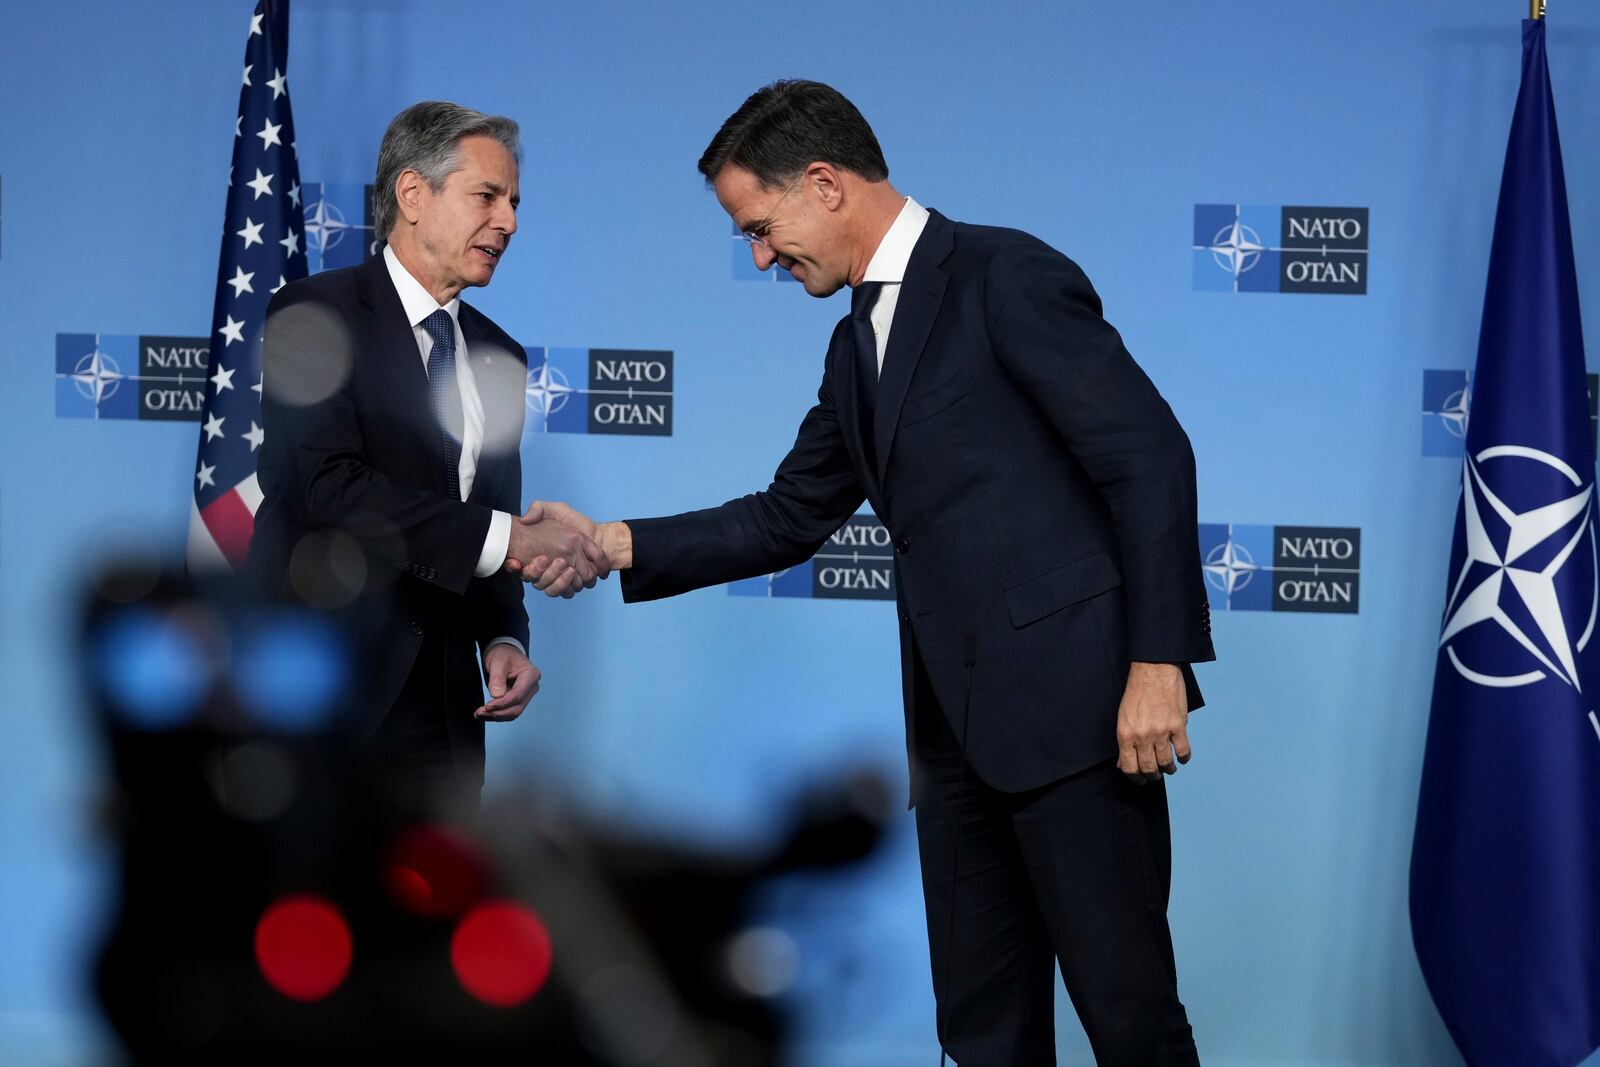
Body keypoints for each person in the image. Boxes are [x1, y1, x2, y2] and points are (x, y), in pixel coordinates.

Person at [520, 80, 1217, 1063]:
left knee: (1128, 1013)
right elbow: (787, 514)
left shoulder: (1002, 274)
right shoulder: (854, 348)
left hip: (1080, 725)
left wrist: (1156, 663)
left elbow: (1147, 455)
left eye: (761, 228)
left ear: (823, 183)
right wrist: (606, 539)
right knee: (980, 1031)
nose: (760, 257)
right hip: (951, 750)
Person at [252, 100, 607, 798]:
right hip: (328, 694)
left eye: (513, 202)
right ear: (413, 193)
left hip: (446, 716)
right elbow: (328, 488)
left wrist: (504, 637)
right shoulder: (312, 313)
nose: (508, 221)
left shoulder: (500, 355)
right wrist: (512, 539)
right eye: (487, 196)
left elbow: (495, 520)